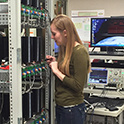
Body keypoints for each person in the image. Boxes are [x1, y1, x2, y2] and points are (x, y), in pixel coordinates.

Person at [46, 14, 91, 124]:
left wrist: (56, 71)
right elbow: (67, 72)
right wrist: (55, 63)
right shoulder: (65, 50)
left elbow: (78, 86)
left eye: (54, 33)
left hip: (72, 109)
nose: (52, 37)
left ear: (65, 33)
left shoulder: (79, 51)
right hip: (62, 108)